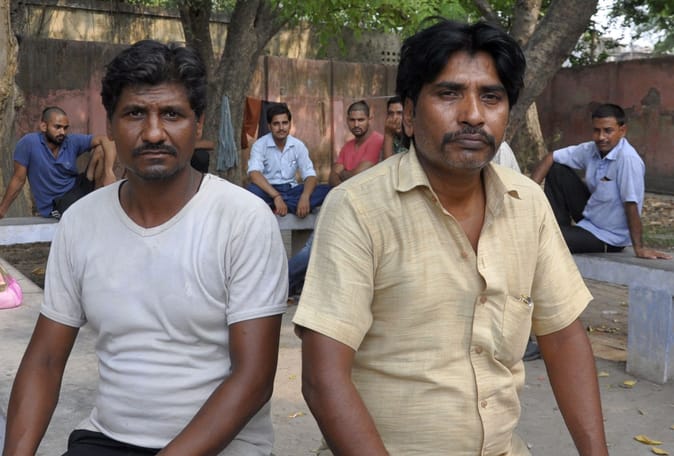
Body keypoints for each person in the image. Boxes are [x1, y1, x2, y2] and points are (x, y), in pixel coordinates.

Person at [293, 19, 609, 455]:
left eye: (491, 97)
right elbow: (323, 377)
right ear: (408, 113)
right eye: (449, 93)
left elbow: (563, 338)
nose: (473, 115)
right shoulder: (358, 208)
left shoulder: (528, 203)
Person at [3, 40, 288, 456]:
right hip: (108, 440)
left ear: (198, 124)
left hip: (226, 446)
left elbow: (254, 378)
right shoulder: (80, 222)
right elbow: (45, 360)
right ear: (111, 126)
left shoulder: (243, 219)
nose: (154, 132)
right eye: (135, 113)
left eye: (172, 114)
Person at [530, 103, 670, 260]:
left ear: (622, 130)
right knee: (556, 169)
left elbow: (631, 204)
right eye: (597, 130)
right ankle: (559, 228)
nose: (601, 137)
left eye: (608, 131)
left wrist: (639, 248)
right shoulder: (592, 149)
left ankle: (560, 234)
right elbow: (551, 157)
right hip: (591, 218)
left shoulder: (628, 159)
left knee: (542, 237)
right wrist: (526, 196)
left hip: (607, 236)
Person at [0, 106, 117, 219]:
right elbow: (18, 179)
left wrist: (109, 172)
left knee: (101, 150)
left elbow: (107, 140)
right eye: (58, 127)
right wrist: (2, 210)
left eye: (65, 128)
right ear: (44, 126)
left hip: (77, 190)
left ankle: (97, 203)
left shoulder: (70, 141)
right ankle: (92, 208)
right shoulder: (28, 143)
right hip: (56, 205)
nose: (62, 132)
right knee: (75, 211)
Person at [246, 103, 329, 217]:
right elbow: (254, 174)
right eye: (276, 124)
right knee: (251, 191)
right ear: (269, 126)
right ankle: (290, 205)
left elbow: (310, 176)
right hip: (268, 191)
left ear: (290, 124)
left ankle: (275, 207)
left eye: (285, 123)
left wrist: (305, 197)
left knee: (328, 190)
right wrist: (276, 196)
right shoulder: (260, 145)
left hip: (291, 190)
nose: (281, 128)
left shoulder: (298, 145)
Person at [328, 100, 384, 186]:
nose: (356, 124)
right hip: (344, 192)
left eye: (361, 120)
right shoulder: (347, 146)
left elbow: (358, 176)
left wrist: (342, 174)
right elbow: (332, 176)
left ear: (369, 120)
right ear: (347, 120)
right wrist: (342, 189)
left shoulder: (378, 140)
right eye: (352, 120)